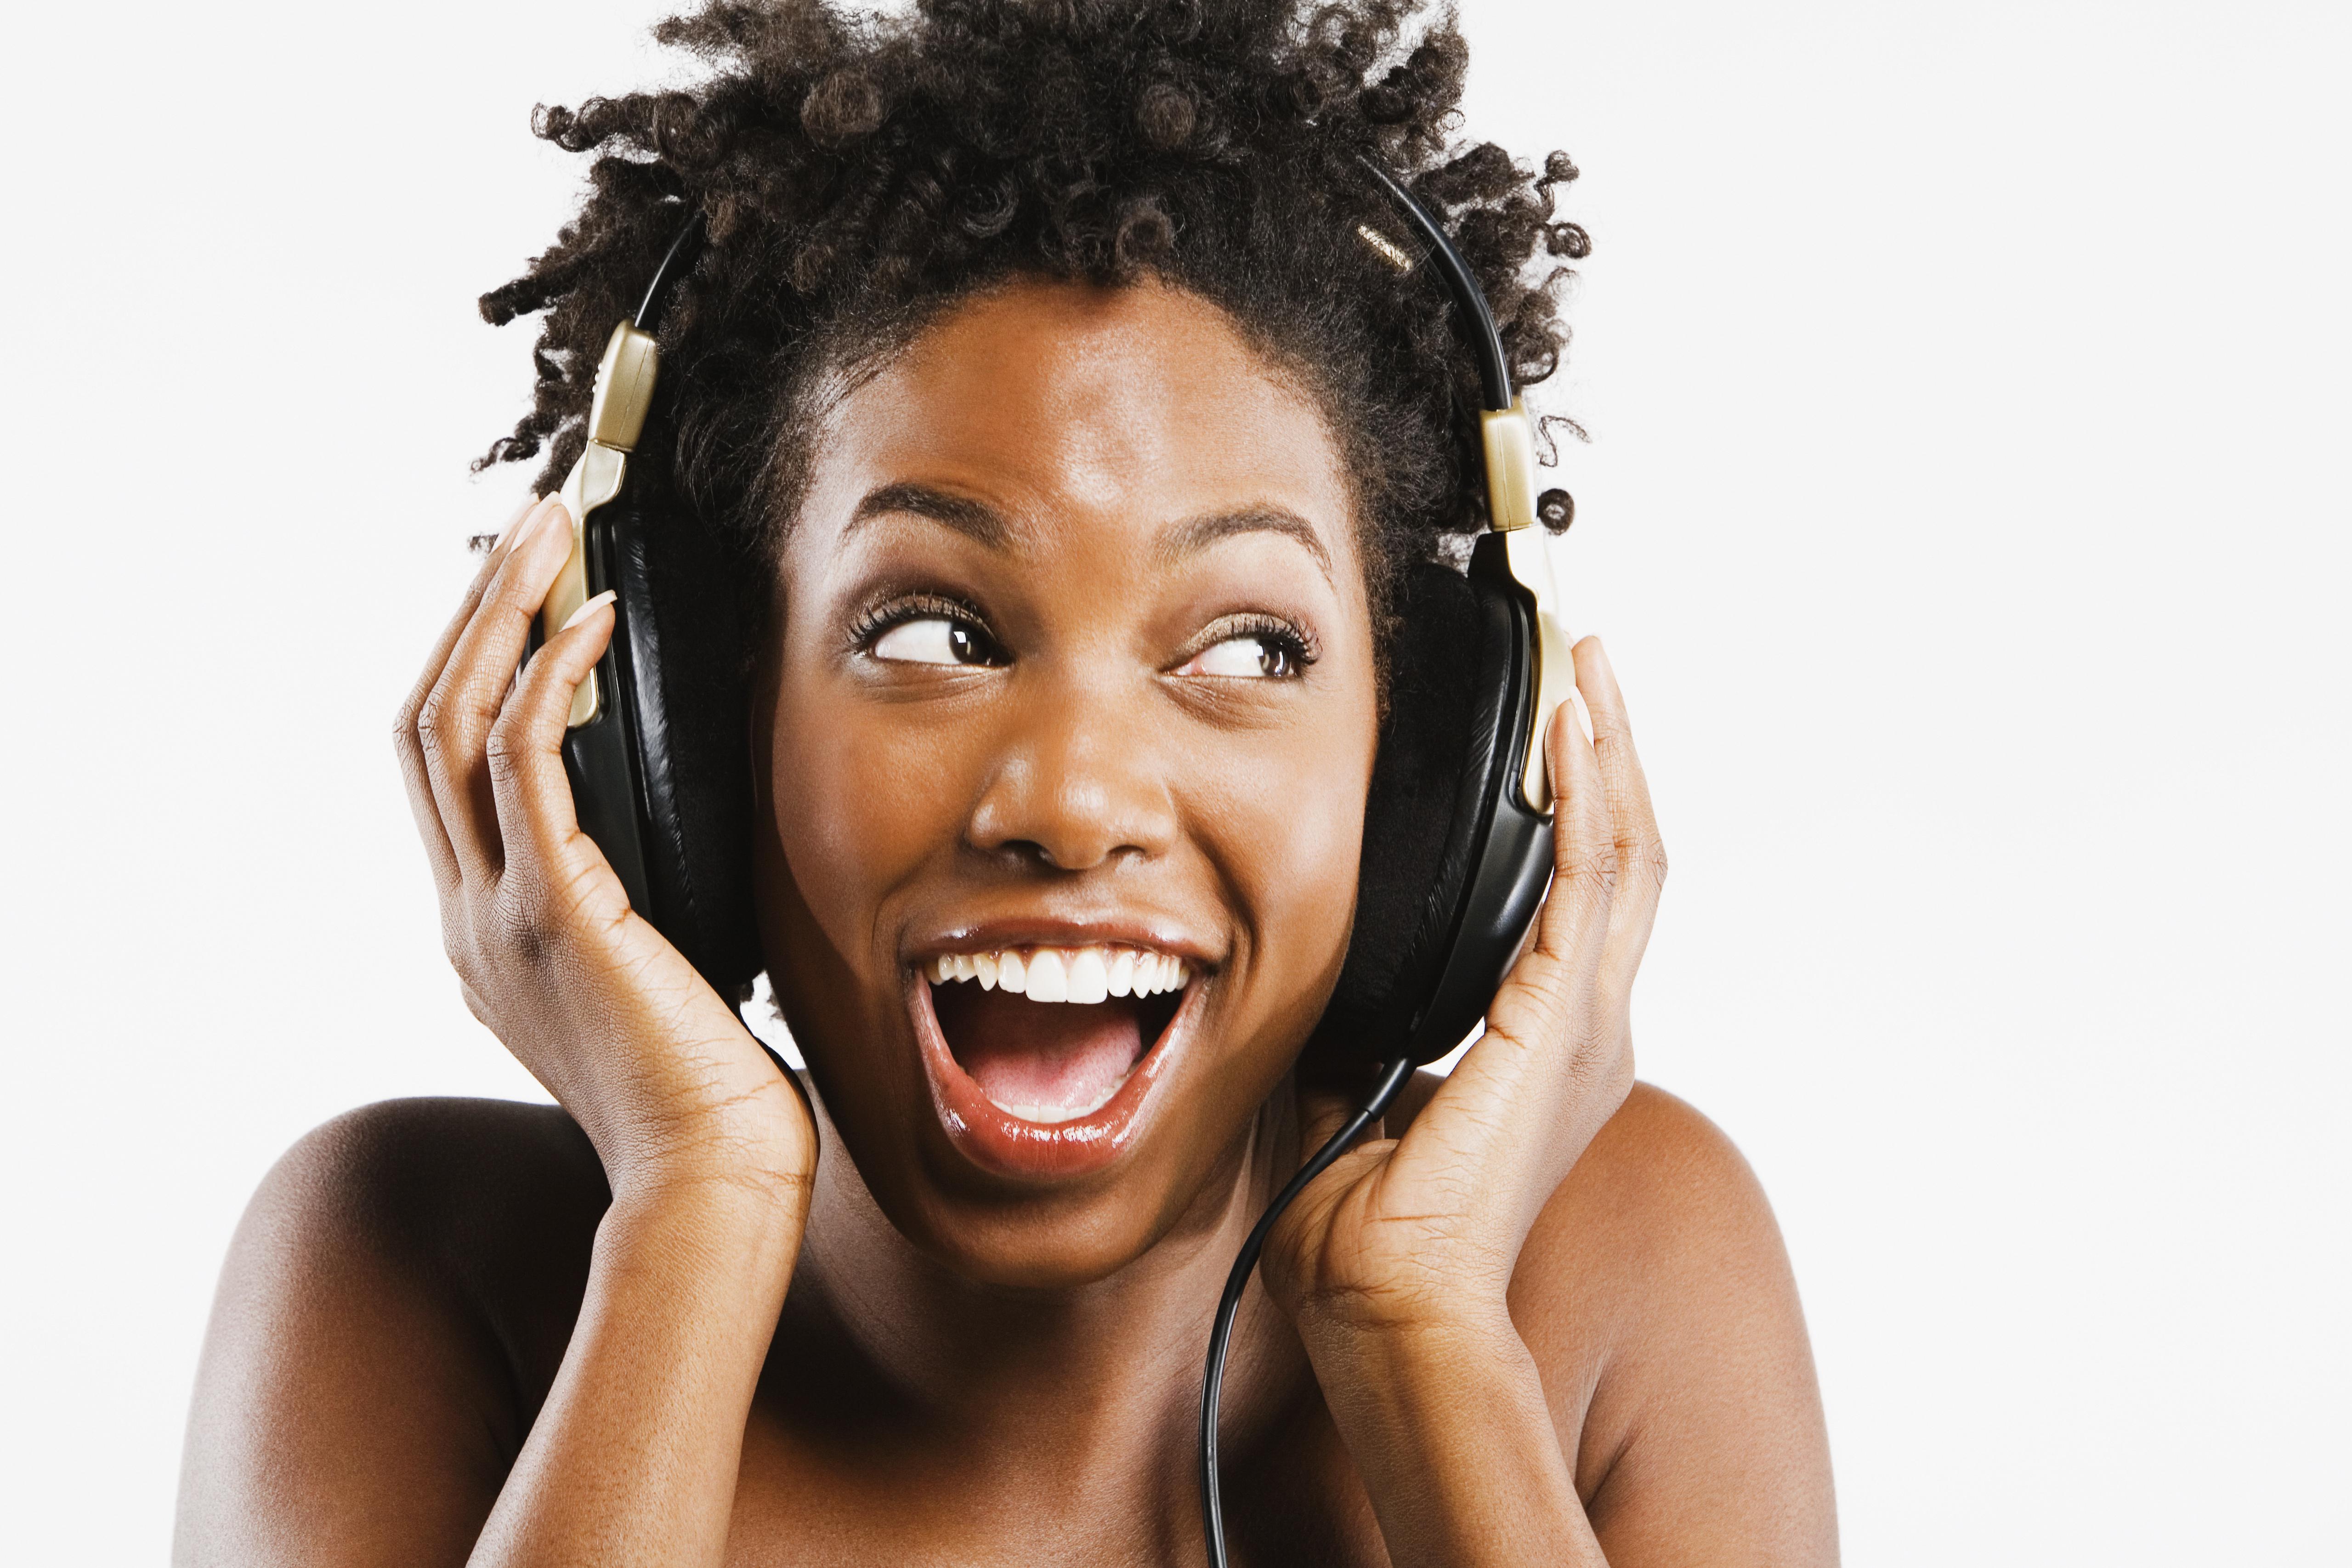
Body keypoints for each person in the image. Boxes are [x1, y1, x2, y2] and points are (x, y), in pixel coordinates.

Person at [175, 1, 1836, 1562]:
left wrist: (1426, 1340)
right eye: (932, 633)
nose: (1074, 798)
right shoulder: (404, 1269)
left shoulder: (1629, 1272)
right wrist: (695, 1208)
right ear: (674, 712)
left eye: (1249, 650)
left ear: (1431, 773)